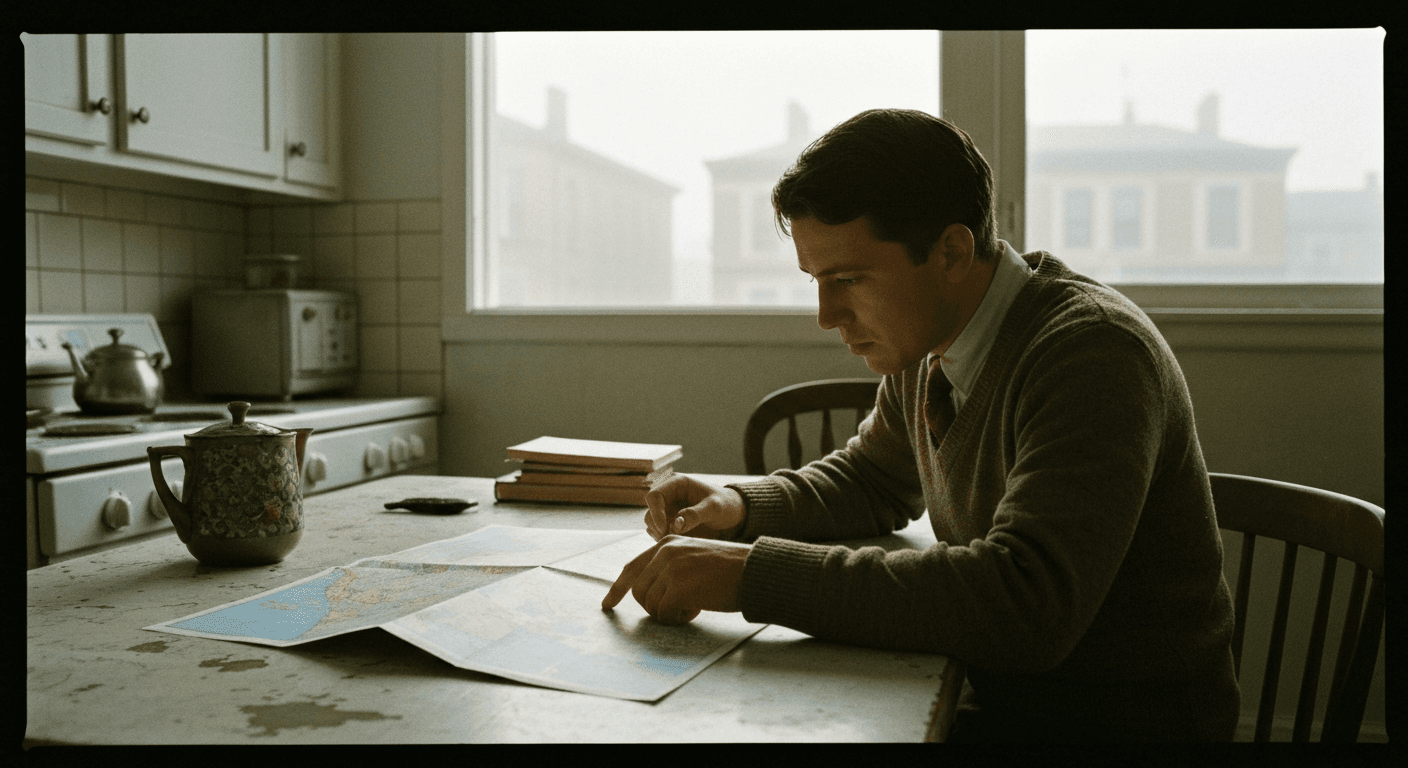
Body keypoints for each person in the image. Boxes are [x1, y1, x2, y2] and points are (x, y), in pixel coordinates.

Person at [601, 109, 1240, 742]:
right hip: (997, 695)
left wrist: (748, 575)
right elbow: (874, 479)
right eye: (816, 281)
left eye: (847, 279)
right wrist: (737, 506)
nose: (826, 316)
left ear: (951, 252)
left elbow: (1026, 604)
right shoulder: (932, 336)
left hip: (1118, 728)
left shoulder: (1092, 353)